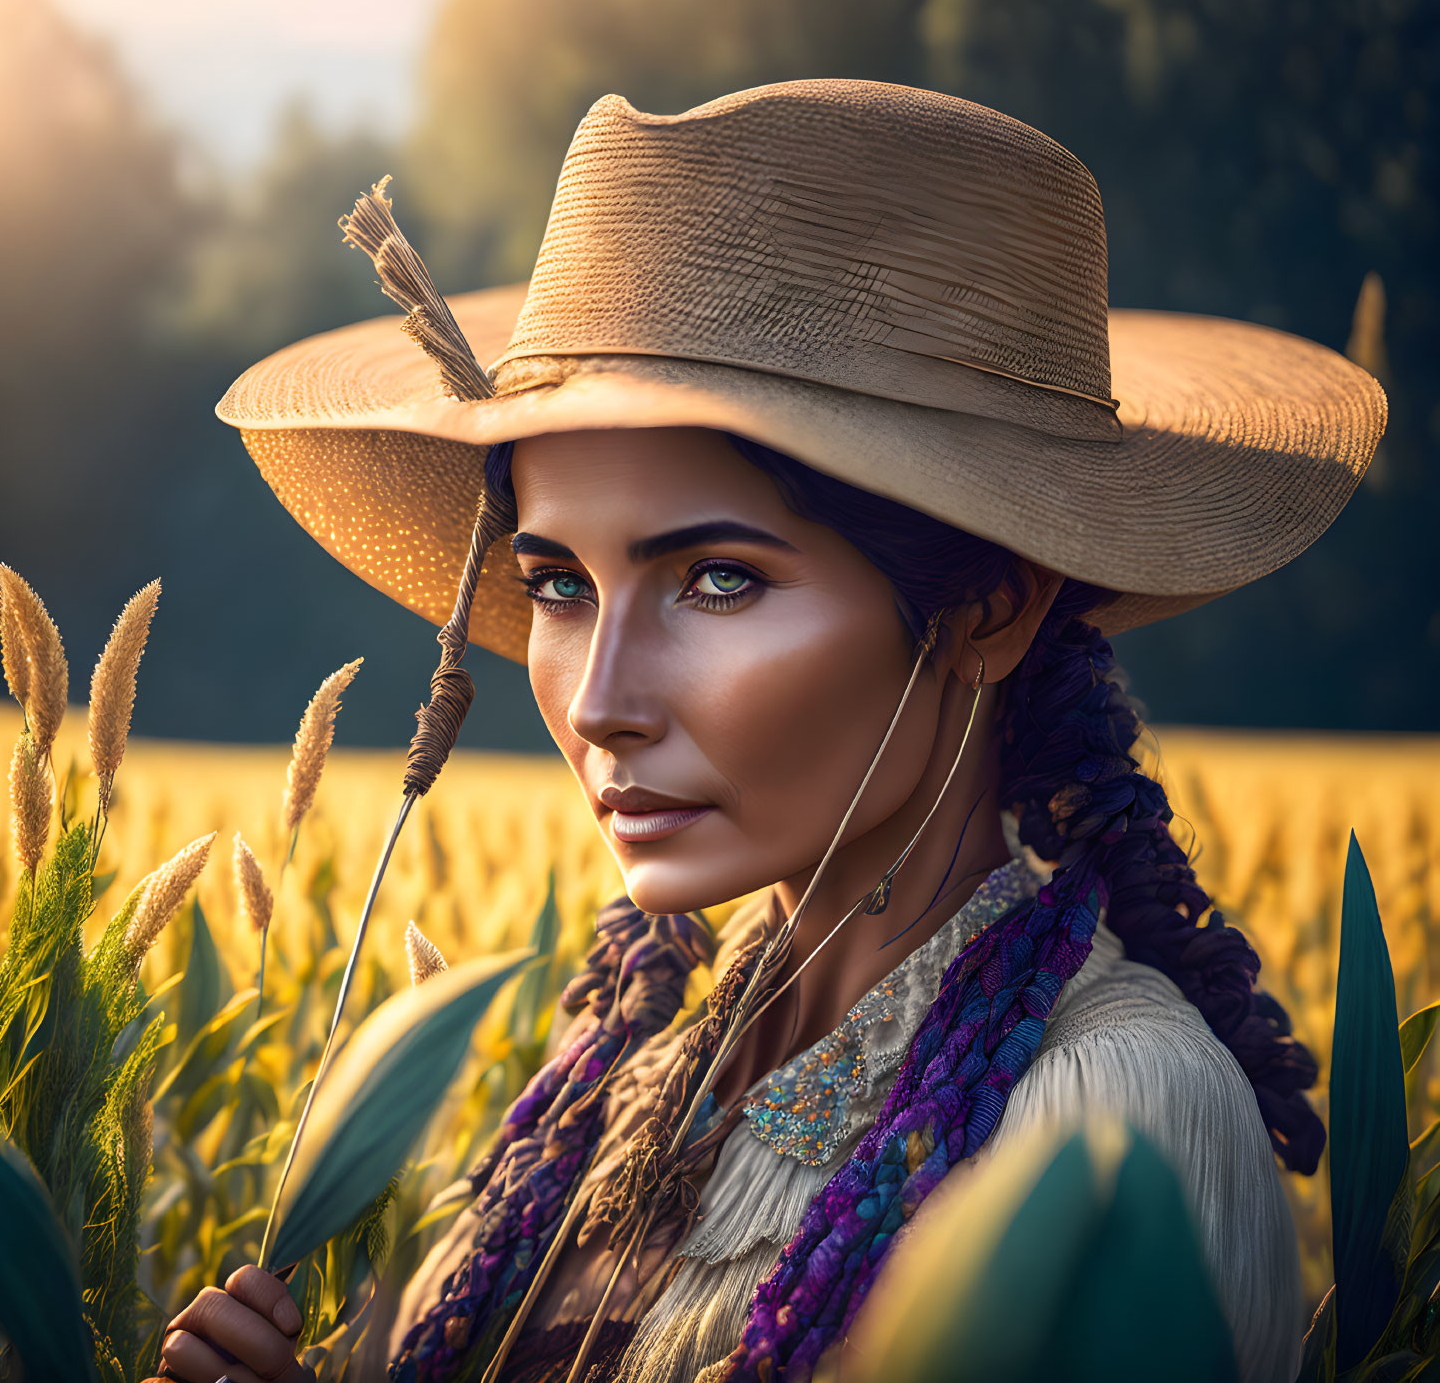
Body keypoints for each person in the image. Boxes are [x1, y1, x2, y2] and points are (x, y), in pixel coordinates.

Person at [149, 79, 1385, 1383]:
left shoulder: (1103, 1133)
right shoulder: (624, 1070)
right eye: (561, 581)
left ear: (985, 611)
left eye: (716, 579)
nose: (601, 696)